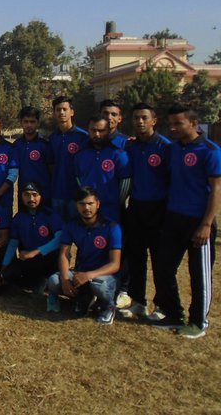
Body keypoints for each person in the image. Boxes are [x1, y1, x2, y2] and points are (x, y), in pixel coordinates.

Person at [151, 104, 221, 338]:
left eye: (178, 123)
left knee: (199, 273)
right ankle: (173, 313)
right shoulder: (174, 149)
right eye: (170, 124)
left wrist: (206, 224)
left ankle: (198, 322)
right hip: (173, 218)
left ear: (193, 123)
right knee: (163, 267)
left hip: (198, 221)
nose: (173, 128)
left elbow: (216, 189)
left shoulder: (209, 150)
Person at [117, 103, 170, 320]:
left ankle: (161, 305)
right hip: (136, 207)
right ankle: (138, 302)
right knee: (136, 258)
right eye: (136, 117)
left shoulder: (165, 147)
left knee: (160, 261)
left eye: (144, 118)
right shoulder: (131, 146)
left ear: (153, 121)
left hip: (159, 209)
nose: (140, 121)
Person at [46, 186, 121, 325]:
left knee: (100, 286)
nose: (86, 208)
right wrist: (64, 279)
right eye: (82, 204)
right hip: (81, 274)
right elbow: (64, 254)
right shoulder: (71, 225)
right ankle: (84, 298)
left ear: (97, 204)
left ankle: (108, 306)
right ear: (76, 205)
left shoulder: (111, 227)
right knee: (53, 281)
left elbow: (115, 264)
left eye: (90, 203)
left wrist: (89, 275)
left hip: (103, 276)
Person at [0, 182, 61, 292]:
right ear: (21, 196)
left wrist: (36, 252)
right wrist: (3, 268)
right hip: (29, 259)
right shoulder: (19, 218)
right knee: (7, 275)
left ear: (41, 196)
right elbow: (13, 244)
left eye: (35, 194)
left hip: (48, 258)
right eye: (27, 194)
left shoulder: (50, 215)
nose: (31, 198)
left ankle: (45, 281)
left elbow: (59, 239)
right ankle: (35, 283)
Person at [74, 116, 130, 223]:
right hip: (87, 209)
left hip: (110, 209)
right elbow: (78, 178)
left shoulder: (118, 154)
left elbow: (126, 181)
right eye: (93, 130)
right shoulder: (81, 154)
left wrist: (116, 201)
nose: (97, 134)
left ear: (108, 131)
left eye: (101, 130)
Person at [48, 96, 88, 220]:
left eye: (65, 109)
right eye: (58, 110)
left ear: (72, 112)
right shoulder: (52, 138)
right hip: (57, 194)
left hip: (76, 194)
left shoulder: (83, 137)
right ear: (54, 113)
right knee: (58, 232)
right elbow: (51, 165)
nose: (61, 113)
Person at [12, 106, 52, 205]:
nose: (29, 125)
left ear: (38, 123)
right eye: (26, 121)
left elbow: (52, 169)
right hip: (24, 193)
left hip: (43, 193)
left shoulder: (45, 144)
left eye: (32, 122)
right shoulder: (17, 145)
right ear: (21, 122)